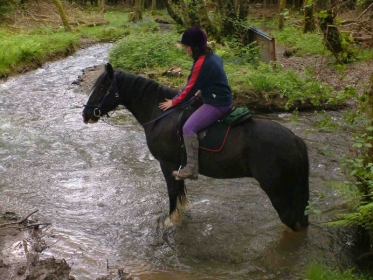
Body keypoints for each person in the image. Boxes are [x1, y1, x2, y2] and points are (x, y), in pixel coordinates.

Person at [159, 27, 233, 180]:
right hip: (221, 96)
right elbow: (214, 79)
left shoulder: (201, 63)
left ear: (194, 47)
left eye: (186, 46)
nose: (185, 49)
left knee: (188, 127)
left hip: (217, 103)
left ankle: (191, 168)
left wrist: (174, 102)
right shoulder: (213, 56)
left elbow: (189, 89)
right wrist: (203, 90)